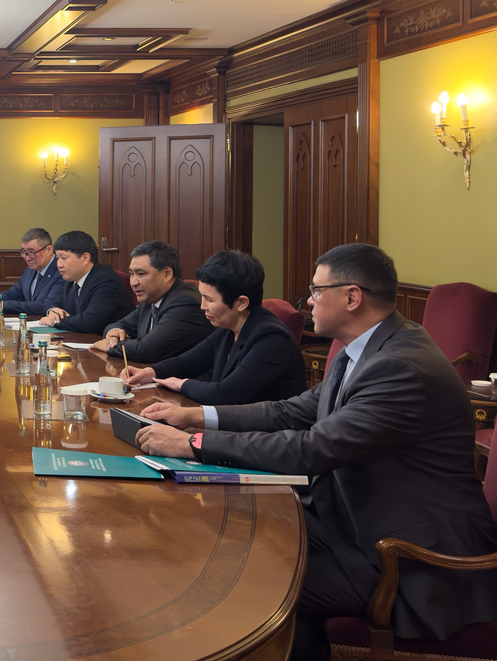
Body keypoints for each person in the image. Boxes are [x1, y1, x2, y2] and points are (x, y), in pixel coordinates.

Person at [135, 244, 497, 659]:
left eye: (316, 290)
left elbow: (312, 448)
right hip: (350, 518)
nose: (307, 301)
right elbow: (290, 412)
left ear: (352, 297)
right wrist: (195, 417)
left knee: (240, 581)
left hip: (405, 556)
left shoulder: (401, 366)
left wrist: (194, 445)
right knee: (227, 537)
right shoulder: (365, 348)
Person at [122, 250, 306, 404]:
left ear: (241, 303)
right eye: (202, 297)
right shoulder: (228, 328)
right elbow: (186, 363)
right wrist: (150, 373)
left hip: (267, 432)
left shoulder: (271, 337)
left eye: (209, 300)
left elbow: (227, 393)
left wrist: (182, 384)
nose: (202, 306)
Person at [90, 240, 211, 363]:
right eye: (131, 274)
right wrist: (113, 334)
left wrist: (111, 346)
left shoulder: (185, 303)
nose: (133, 282)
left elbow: (146, 350)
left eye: (141, 274)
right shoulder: (150, 300)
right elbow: (117, 325)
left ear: (167, 274)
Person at [37, 230, 133, 334]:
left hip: (110, 341)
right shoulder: (71, 279)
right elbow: (50, 301)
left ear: (85, 258)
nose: (59, 265)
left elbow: (89, 322)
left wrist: (55, 321)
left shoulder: (105, 280)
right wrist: (52, 310)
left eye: (63, 258)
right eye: (57, 258)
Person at [0, 228, 65, 317]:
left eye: (31, 252)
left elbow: (46, 305)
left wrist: (4, 306)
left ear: (49, 250)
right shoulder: (32, 269)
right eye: (24, 252)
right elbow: (14, 294)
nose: (27, 258)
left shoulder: (61, 271)